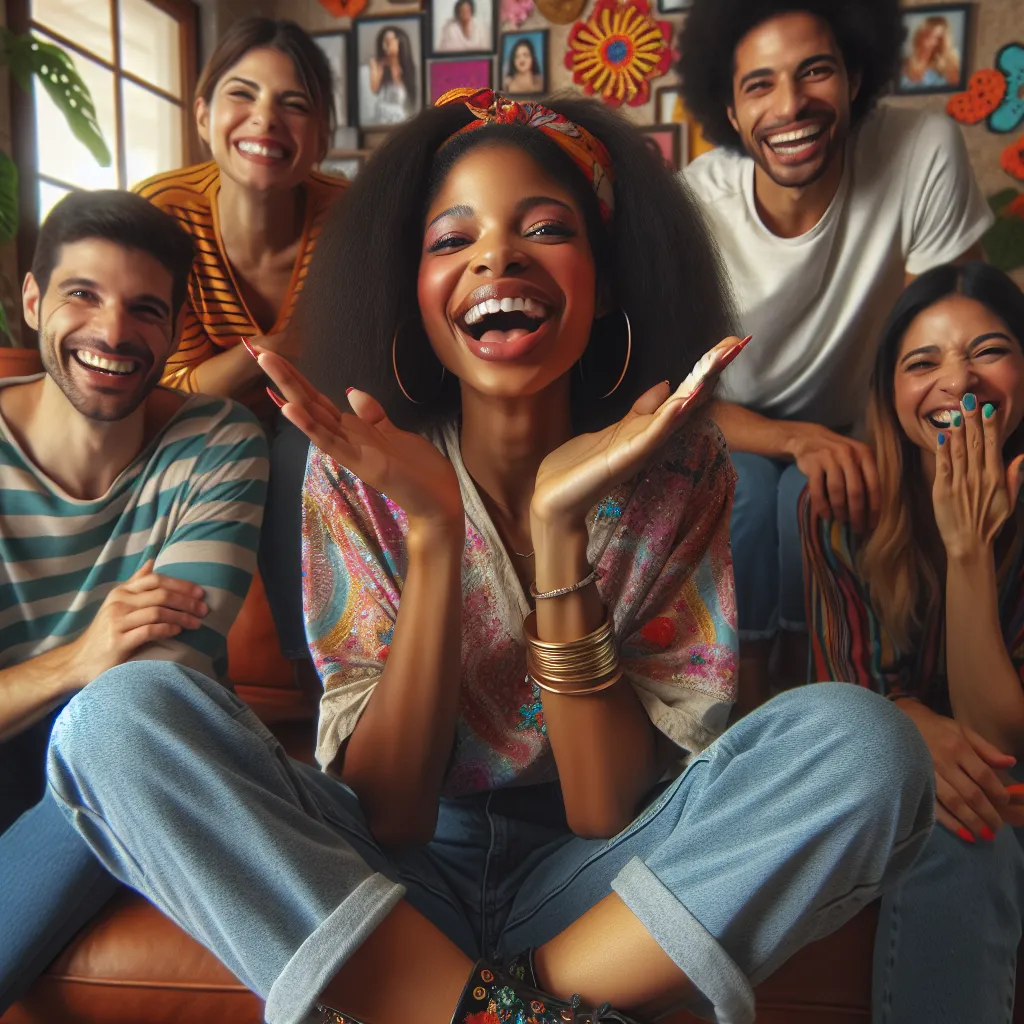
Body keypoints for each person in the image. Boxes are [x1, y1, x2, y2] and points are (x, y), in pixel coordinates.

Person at [47, 90, 932, 1024]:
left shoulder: (684, 468)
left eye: (544, 228)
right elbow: (389, 813)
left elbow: (603, 809)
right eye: (450, 238)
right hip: (388, 881)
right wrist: (432, 533)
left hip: (603, 884)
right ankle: (492, 1012)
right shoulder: (355, 466)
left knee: (865, 745)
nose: (495, 257)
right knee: (117, 720)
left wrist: (560, 535)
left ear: (607, 279)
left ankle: (466, 1006)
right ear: (414, 295)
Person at [677, 0, 993, 706]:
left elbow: (947, 348)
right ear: (728, 111)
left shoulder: (921, 150)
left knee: (811, 500)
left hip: (868, 417)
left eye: (814, 71)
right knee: (751, 493)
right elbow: (678, 397)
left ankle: (832, 710)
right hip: (736, 422)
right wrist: (797, 437)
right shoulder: (697, 204)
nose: (791, 105)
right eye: (759, 84)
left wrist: (872, 442)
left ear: (855, 76)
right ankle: (747, 713)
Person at [0, 190, 268, 1010]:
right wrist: (73, 663)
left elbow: (150, 697)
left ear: (172, 327)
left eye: (144, 310)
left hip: (137, 767)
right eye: (82, 295)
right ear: (33, 300)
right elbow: (107, 678)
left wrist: (85, 687)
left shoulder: (218, 443)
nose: (113, 333)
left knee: (127, 747)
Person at [801, 262, 1024, 1024]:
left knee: (972, 830)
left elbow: (998, 737)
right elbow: (850, 700)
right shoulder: (843, 507)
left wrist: (970, 550)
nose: (956, 379)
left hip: (1000, 774)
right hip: (889, 763)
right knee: (957, 830)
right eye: (922, 362)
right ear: (890, 397)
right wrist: (913, 725)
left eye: (988, 351)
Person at [134, 17, 346, 667]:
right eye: (242, 94)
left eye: (295, 104)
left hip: (310, 419)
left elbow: (350, 365)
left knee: (304, 439)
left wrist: (256, 365)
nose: (265, 120)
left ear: (320, 135)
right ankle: (185, 683)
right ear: (203, 115)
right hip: (194, 428)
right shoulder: (163, 213)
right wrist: (285, 341)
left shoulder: (349, 216)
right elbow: (171, 387)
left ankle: (320, 674)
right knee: (222, 430)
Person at [361, 25, 418, 126]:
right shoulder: (377, 63)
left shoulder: (407, 66)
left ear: (399, 42)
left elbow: (408, 96)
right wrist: (382, 66)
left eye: (389, 41)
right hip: (382, 114)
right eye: (384, 41)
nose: (385, 45)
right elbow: (374, 88)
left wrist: (394, 60)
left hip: (400, 115)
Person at [900, 16, 961, 92]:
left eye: (937, 38)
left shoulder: (951, 64)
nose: (929, 42)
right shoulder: (903, 63)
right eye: (927, 35)